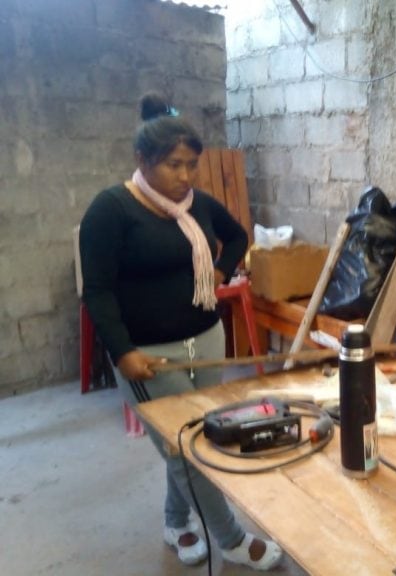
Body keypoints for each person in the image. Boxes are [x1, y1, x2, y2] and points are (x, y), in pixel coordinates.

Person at [79, 93, 283, 569]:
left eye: (192, 165)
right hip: (150, 355)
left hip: (206, 339)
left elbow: (236, 236)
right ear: (142, 160)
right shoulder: (111, 210)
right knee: (188, 446)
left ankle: (175, 521)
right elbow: (98, 291)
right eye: (174, 165)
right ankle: (230, 537)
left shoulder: (197, 205)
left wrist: (220, 269)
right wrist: (123, 351)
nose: (186, 177)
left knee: (192, 439)